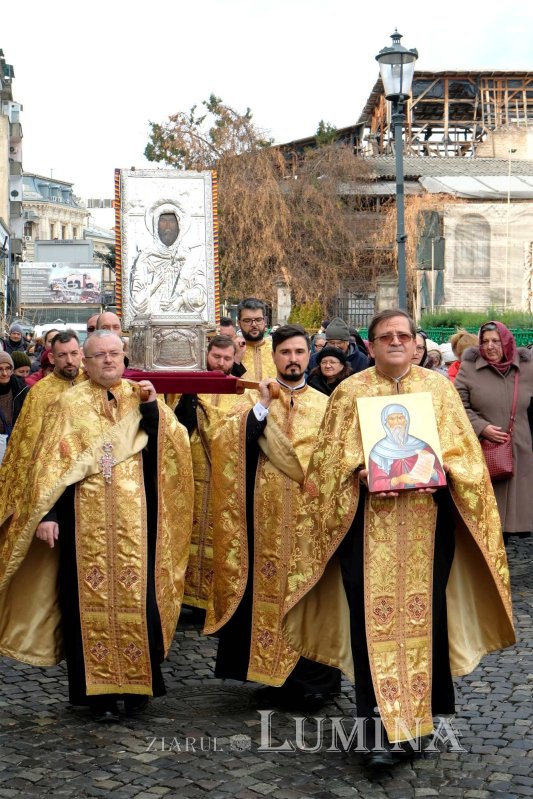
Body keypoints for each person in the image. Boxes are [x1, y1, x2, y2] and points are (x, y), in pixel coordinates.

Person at [281, 309, 514, 767]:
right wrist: (359, 471)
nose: (395, 342)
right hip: (365, 533)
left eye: (403, 336)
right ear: (370, 346)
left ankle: (416, 728)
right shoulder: (350, 393)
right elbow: (325, 468)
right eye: (385, 336)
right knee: (372, 627)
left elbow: (466, 460)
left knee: (424, 623)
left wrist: (443, 469)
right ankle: (375, 732)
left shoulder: (439, 390)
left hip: (429, 529)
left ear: (415, 344)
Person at [0, 331, 193, 723]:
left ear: (125, 357)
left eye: (114, 354)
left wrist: (154, 412)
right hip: (79, 522)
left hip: (139, 520)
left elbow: (173, 450)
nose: (107, 361)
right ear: (84, 363)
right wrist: (48, 516)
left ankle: (138, 688)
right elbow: (47, 466)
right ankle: (98, 695)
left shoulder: (141, 397)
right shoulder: (66, 405)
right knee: (83, 604)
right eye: (98, 355)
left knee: (141, 603)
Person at [206, 324, 341, 712]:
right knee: (267, 597)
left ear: (308, 356)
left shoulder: (326, 405)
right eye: (286, 353)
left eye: (300, 352)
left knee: (311, 596)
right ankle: (275, 678)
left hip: (311, 524)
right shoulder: (254, 402)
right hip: (264, 521)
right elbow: (228, 448)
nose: (293, 359)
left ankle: (316, 683)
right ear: (274, 357)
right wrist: (262, 408)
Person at [169, 336, 247, 613]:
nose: (221, 364)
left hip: (224, 473)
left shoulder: (241, 389)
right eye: (216, 357)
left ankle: (214, 596)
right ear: (206, 354)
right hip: (190, 468)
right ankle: (185, 595)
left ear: (235, 357)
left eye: (227, 359)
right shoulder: (188, 384)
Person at [455, 320, 533, 542]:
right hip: (484, 449)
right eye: (485, 341)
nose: (490, 346)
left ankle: (510, 550)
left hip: (520, 448)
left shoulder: (527, 368)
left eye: (496, 341)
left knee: (515, 511)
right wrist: (482, 427)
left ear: (507, 342)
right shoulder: (469, 368)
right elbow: (457, 405)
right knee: (488, 513)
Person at [0, 330, 86, 500]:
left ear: (81, 354)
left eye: (74, 353)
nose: (70, 360)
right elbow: (27, 440)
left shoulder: (92, 383)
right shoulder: (39, 392)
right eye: (62, 355)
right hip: (51, 476)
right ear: (52, 358)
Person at [130, 201, 206, 317]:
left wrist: (180, 300)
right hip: (150, 323)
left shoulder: (190, 258)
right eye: (163, 221)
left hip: (184, 324)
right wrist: (154, 286)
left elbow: (201, 294)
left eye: (172, 221)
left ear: (179, 225)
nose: (167, 226)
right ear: (155, 225)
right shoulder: (145, 259)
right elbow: (135, 302)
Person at [368, 403, 446, 491]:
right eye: (392, 419)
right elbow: (376, 484)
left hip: (424, 499)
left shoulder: (422, 446)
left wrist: (433, 473)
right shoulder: (379, 450)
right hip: (389, 501)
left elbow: (440, 476)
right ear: (385, 423)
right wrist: (398, 480)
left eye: (400, 418)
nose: (397, 422)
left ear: (406, 420)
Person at [237, 298, 277, 380]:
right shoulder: (232, 352)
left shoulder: (277, 349)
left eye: (258, 320)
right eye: (247, 320)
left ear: (265, 321)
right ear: (239, 323)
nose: (254, 324)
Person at [0, 352, 29, 463]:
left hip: (15, 444)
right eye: (0, 369)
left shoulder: (22, 390)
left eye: (8, 368)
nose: (5, 373)